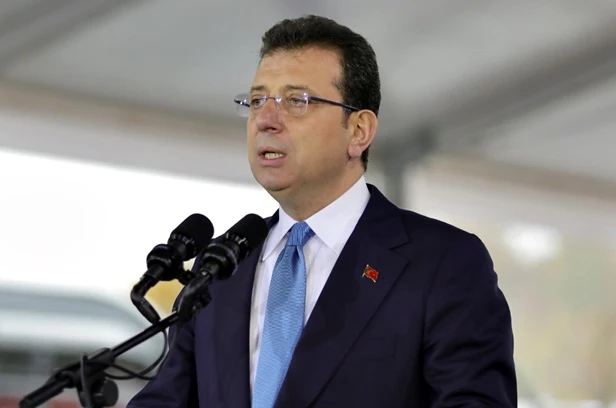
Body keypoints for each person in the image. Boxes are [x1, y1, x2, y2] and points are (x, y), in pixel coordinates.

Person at [128, 15, 517, 407]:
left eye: (296, 101)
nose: (266, 120)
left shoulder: (443, 264)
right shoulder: (221, 268)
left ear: (359, 131)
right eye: (258, 101)